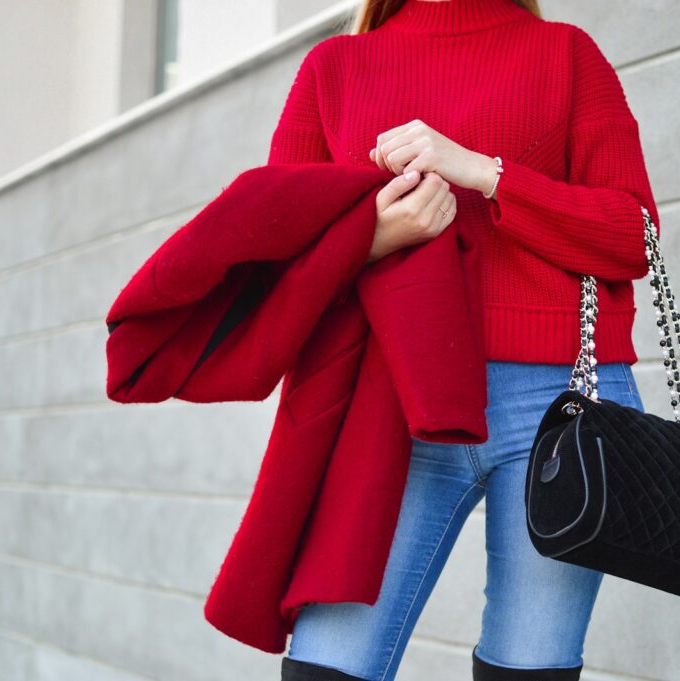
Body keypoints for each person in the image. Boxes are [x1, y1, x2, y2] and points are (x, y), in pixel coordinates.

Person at [270, 1, 659, 679]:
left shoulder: (567, 55)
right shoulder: (334, 68)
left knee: (529, 671)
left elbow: (633, 235)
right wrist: (378, 234)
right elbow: (277, 256)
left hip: (560, 406)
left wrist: (486, 173)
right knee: (326, 668)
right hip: (390, 404)